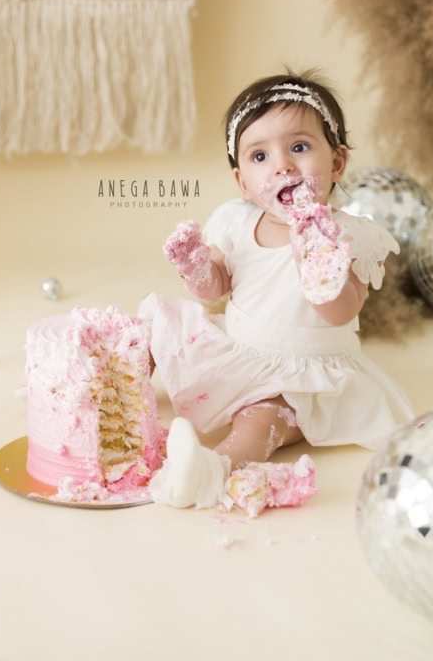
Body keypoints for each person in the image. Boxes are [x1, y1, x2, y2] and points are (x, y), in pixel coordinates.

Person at [139, 71, 415, 476]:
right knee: (153, 327)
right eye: (259, 157)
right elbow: (215, 287)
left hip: (301, 375)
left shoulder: (349, 235)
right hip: (236, 348)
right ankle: (116, 396)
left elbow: (343, 311)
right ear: (243, 183)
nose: (282, 166)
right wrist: (196, 267)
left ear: (337, 162)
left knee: (261, 422)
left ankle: (209, 469)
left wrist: (320, 272)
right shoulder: (236, 222)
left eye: (299, 147)